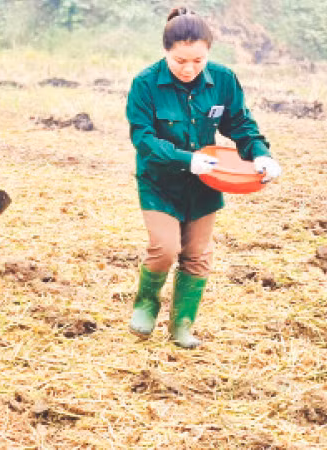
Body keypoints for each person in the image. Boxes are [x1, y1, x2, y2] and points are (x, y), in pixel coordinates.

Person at [125, 7, 281, 348]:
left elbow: (239, 123)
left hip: (206, 182)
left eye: (198, 60)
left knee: (196, 255)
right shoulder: (145, 84)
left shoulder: (223, 80)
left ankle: (181, 325)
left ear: (208, 52)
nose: (189, 68)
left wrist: (260, 154)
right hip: (159, 182)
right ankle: (146, 304)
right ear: (166, 51)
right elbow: (143, 139)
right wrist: (185, 159)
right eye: (180, 60)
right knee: (165, 249)